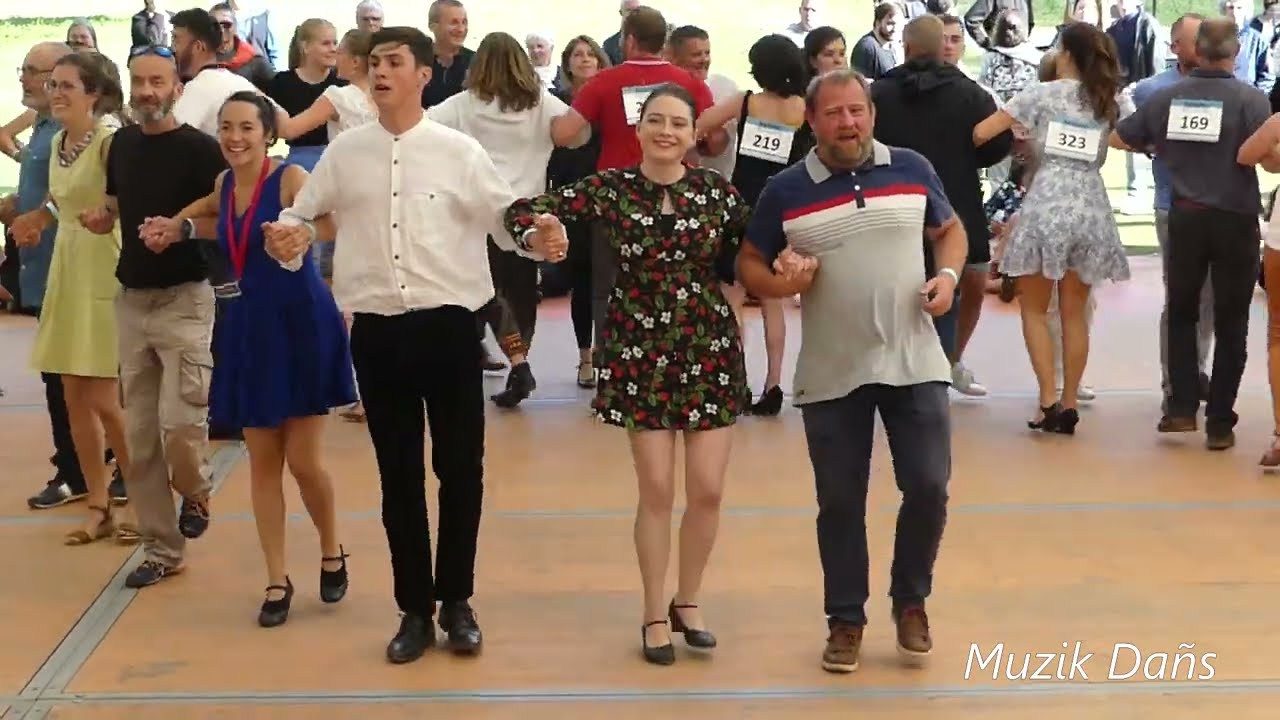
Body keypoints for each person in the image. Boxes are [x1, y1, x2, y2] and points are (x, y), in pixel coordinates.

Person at [263, 26, 563, 663]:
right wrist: (288, 235)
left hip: (450, 329)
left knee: (460, 471)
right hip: (377, 331)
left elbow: (505, 217)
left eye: (394, 61)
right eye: (373, 62)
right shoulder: (347, 153)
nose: (379, 72)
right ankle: (414, 610)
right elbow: (303, 213)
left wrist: (538, 236)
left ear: (423, 74)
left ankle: (457, 600)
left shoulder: (458, 151)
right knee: (396, 476)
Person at [510, 83, 752, 666]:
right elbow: (525, 211)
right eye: (655, 121)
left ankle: (688, 600)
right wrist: (540, 235)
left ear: (696, 134)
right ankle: (651, 608)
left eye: (678, 123)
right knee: (657, 489)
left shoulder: (716, 192)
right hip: (639, 346)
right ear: (639, 128)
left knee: (709, 489)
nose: (666, 131)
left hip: (708, 345)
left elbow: (758, 246)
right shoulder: (612, 188)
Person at [737, 68, 966, 674]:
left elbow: (950, 232)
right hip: (832, 370)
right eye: (834, 113)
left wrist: (946, 278)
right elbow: (751, 265)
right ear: (812, 122)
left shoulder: (912, 168)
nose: (848, 123)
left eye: (857, 110)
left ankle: (910, 600)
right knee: (840, 501)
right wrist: (780, 284)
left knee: (928, 486)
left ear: (871, 113)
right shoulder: (786, 189)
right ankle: (845, 618)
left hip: (914, 360)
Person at [80, 44, 228, 586]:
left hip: (185, 299)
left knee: (181, 426)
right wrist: (102, 219)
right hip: (132, 302)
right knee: (140, 439)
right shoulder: (119, 145)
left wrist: (181, 225)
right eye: (139, 81)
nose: (147, 91)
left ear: (177, 88)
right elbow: (119, 205)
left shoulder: (201, 150)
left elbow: (221, 214)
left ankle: (197, 489)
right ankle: (162, 551)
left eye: (158, 81)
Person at [1114, 17, 1271, 450]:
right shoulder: (1251, 100)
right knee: (1232, 319)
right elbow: (1268, 159)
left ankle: (1182, 408)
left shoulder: (1169, 96)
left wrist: (1156, 147)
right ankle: (1220, 421)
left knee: (1181, 311)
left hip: (1184, 215)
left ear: (1195, 51)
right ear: (1237, 53)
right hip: (1235, 218)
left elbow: (1122, 137)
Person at [973, 21, 1132, 434]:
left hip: (1045, 205)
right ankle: (1070, 399)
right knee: (1074, 313)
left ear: (1065, 53)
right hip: (1092, 207)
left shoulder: (1039, 94)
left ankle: (1047, 401)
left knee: (1033, 309)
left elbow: (981, 132)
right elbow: (1133, 138)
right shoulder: (1108, 98)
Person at [11, 51, 133, 545]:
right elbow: (65, 198)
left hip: (103, 269)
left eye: (66, 86)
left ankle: (145, 501)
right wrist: (38, 218)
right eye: (53, 85)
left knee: (105, 398)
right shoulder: (61, 140)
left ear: (94, 94)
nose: (55, 93)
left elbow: (127, 200)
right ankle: (99, 504)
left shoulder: (110, 143)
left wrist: (108, 214)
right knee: (73, 396)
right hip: (68, 268)